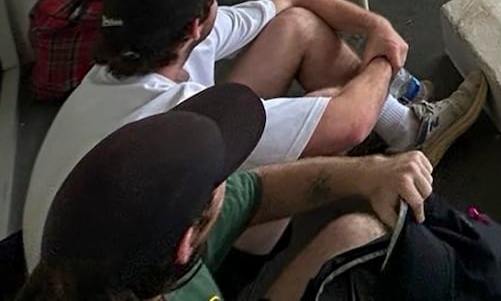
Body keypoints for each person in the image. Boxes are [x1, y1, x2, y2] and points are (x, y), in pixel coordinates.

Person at [22, 0, 489, 268]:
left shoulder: (130, 54)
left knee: (299, 27)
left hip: (84, 247)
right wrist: (383, 63)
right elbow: (348, 123)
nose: (217, 4)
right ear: (195, 24)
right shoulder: (173, 117)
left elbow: (295, 2)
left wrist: (376, 27)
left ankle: (405, 126)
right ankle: (403, 124)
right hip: (157, 271)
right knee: (334, 108)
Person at [20, 85, 464, 301]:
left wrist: (369, 172)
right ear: (184, 248)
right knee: (358, 236)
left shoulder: (96, 256)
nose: (230, 176)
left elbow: (260, 188)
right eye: (218, 179)